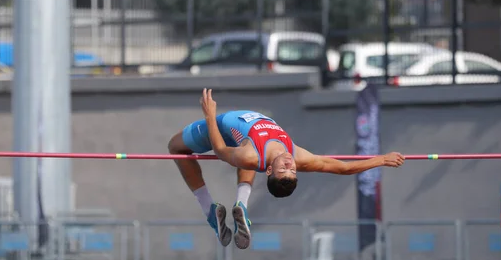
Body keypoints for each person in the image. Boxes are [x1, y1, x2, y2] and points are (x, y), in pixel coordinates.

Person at [168, 89, 405, 250]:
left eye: (284, 170)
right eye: (292, 171)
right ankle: (242, 205)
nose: (289, 165)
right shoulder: (297, 155)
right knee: (245, 158)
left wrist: (210, 116)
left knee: (175, 147)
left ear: (270, 171)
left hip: (221, 127)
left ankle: (209, 210)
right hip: (243, 142)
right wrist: (381, 159)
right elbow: (343, 168)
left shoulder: (251, 155)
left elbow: (219, 150)